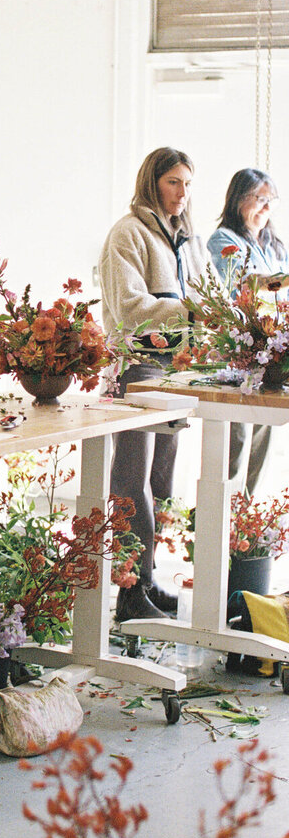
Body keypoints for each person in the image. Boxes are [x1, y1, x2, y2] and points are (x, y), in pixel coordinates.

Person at [99, 147, 209, 622]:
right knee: (131, 482)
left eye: (188, 183)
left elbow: (207, 298)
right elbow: (129, 308)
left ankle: (144, 578)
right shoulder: (127, 233)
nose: (182, 193)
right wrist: (190, 311)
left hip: (176, 370)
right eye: (173, 182)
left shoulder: (188, 239)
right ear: (152, 182)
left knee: (160, 480)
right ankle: (129, 595)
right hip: (138, 367)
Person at [208, 168, 289, 497]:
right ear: (238, 200)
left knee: (265, 429)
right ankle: (222, 511)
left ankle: (246, 514)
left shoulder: (274, 245)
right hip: (240, 350)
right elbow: (247, 285)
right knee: (237, 436)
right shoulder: (223, 239)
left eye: (271, 200)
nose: (267, 208)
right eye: (260, 199)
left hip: (273, 351)